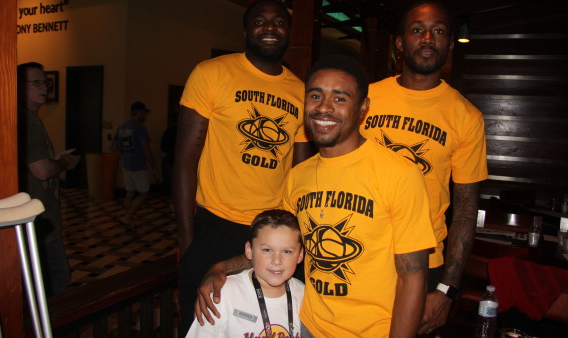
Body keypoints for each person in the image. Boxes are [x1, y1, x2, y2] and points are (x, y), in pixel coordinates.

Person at [193, 55, 437, 337]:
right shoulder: (298, 176)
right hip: (307, 325)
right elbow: (278, 248)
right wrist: (221, 267)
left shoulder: (399, 173)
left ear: (363, 108)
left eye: (340, 98)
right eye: (316, 96)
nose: (324, 107)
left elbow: (414, 276)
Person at [174, 0, 311, 334]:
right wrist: (187, 237)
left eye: (278, 21)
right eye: (259, 21)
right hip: (214, 225)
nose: (269, 27)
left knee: (274, 324)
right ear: (246, 31)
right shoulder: (211, 73)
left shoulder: (301, 92)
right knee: (204, 324)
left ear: (288, 32)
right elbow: (184, 159)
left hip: (273, 233)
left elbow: (302, 175)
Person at [360, 1, 488, 335]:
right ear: (400, 42)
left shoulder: (466, 117)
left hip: (423, 265)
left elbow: (465, 210)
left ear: (448, 43)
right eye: (418, 30)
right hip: (359, 252)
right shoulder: (364, 100)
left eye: (439, 31)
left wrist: (447, 290)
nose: (428, 38)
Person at [186, 209, 305, 338]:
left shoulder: (303, 295)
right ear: (249, 250)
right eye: (267, 250)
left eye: (286, 251)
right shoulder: (224, 293)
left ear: (300, 255)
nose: (277, 261)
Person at [17, 62, 80, 296]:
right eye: (36, 82)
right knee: (55, 279)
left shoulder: (29, 119)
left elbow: (33, 162)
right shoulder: (26, 121)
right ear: (19, 87)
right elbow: (42, 171)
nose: (43, 87)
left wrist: (54, 157)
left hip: (38, 218)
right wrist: (63, 163)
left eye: (45, 82)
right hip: (36, 220)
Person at [112, 101, 158, 229]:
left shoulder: (122, 126)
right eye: (144, 113)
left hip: (126, 164)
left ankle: (128, 217)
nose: (145, 116)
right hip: (138, 166)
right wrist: (153, 167)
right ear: (139, 112)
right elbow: (146, 149)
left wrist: (122, 156)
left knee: (130, 192)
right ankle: (127, 217)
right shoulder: (140, 128)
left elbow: (113, 146)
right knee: (144, 193)